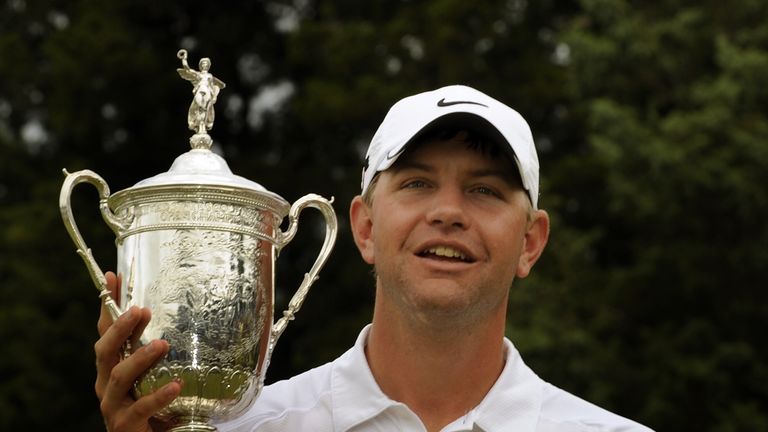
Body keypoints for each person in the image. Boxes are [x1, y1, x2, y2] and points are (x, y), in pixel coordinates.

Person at [94, 85, 654, 431]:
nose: (448, 212)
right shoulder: (242, 428)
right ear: (363, 226)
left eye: (485, 190)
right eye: (416, 183)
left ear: (530, 242)